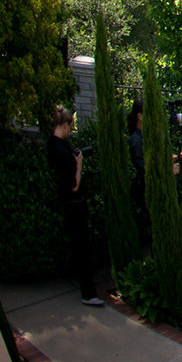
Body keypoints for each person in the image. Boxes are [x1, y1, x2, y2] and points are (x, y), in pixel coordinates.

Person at [47, 107, 102, 305]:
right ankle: (88, 294)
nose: (71, 129)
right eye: (71, 125)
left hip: (68, 204)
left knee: (79, 249)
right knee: (82, 249)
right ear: (64, 124)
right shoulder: (60, 151)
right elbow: (74, 185)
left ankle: (87, 290)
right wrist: (79, 165)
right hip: (73, 205)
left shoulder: (55, 145)